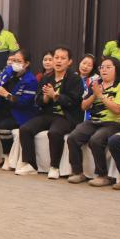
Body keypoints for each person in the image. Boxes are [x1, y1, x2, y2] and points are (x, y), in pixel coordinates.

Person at [14, 46, 82, 178]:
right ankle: (31, 165)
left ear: (69, 62)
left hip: (65, 116)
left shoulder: (74, 79)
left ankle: (54, 167)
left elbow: (73, 101)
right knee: (25, 129)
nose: (59, 61)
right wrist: (45, 98)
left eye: (63, 58)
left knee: (54, 132)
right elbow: (38, 100)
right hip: (47, 114)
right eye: (56, 57)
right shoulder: (46, 78)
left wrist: (55, 96)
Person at [65, 56, 120, 183]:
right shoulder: (95, 84)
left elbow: (117, 109)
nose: (104, 70)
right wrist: (94, 95)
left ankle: (102, 175)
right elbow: (84, 106)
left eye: (108, 67)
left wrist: (101, 95)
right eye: (102, 67)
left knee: (96, 140)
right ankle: (77, 172)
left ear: (116, 69)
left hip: (113, 123)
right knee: (72, 137)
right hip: (93, 121)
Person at [0, 49, 38, 169]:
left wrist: (7, 95)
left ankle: (7, 157)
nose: (15, 63)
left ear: (27, 64)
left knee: (3, 127)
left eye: (19, 61)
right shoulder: (8, 73)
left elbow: (24, 102)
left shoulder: (31, 80)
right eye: (14, 60)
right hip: (2, 109)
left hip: (19, 113)